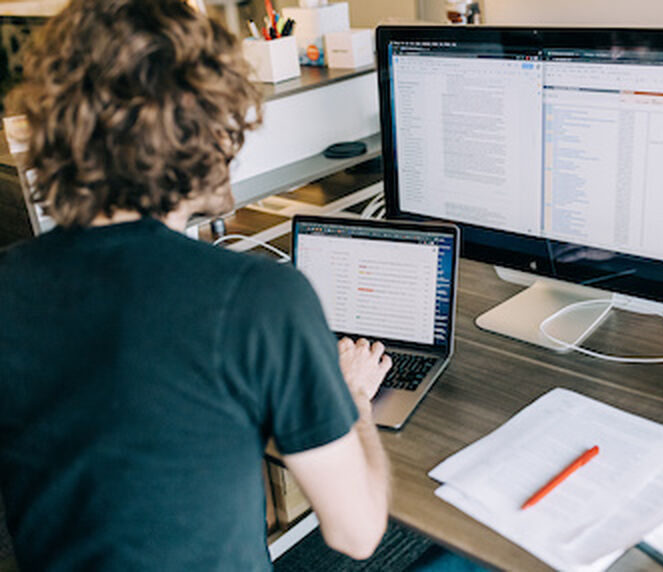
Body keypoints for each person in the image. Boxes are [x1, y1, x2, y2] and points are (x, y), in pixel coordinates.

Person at [0, 0, 391, 569]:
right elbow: (358, 534)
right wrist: (352, 399)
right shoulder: (260, 299)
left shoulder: (8, 282)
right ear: (203, 132)